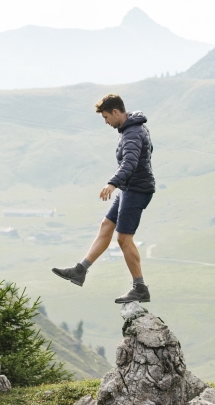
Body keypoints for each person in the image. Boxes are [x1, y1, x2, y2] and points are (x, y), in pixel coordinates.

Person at [53, 93, 154, 304]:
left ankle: (140, 287)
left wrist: (112, 183)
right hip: (130, 188)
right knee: (106, 225)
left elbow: (130, 163)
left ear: (116, 112)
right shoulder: (131, 128)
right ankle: (80, 271)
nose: (106, 122)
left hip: (136, 190)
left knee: (123, 238)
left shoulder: (132, 133)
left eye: (106, 117)